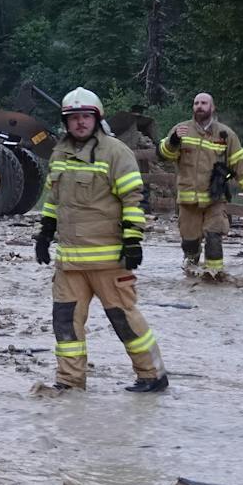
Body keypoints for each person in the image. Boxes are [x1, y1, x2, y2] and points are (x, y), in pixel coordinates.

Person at [35, 87, 168, 393]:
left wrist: (133, 240)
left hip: (109, 260)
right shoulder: (59, 153)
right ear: (65, 122)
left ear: (97, 118)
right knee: (65, 323)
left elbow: (133, 201)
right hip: (70, 262)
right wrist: (44, 232)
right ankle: (70, 382)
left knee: (124, 320)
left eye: (85, 117)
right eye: (73, 118)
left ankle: (152, 375)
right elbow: (54, 199)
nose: (80, 123)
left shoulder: (116, 152)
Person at [160, 92, 243, 279]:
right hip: (188, 200)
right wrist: (172, 141)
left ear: (212, 108)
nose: (199, 106)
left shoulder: (226, 135)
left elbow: (241, 167)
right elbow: (165, 155)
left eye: (204, 103)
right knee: (189, 242)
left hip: (215, 199)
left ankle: (215, 278)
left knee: (214, 238)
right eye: (196, 103)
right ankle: (191, 265)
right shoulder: (181, 129)